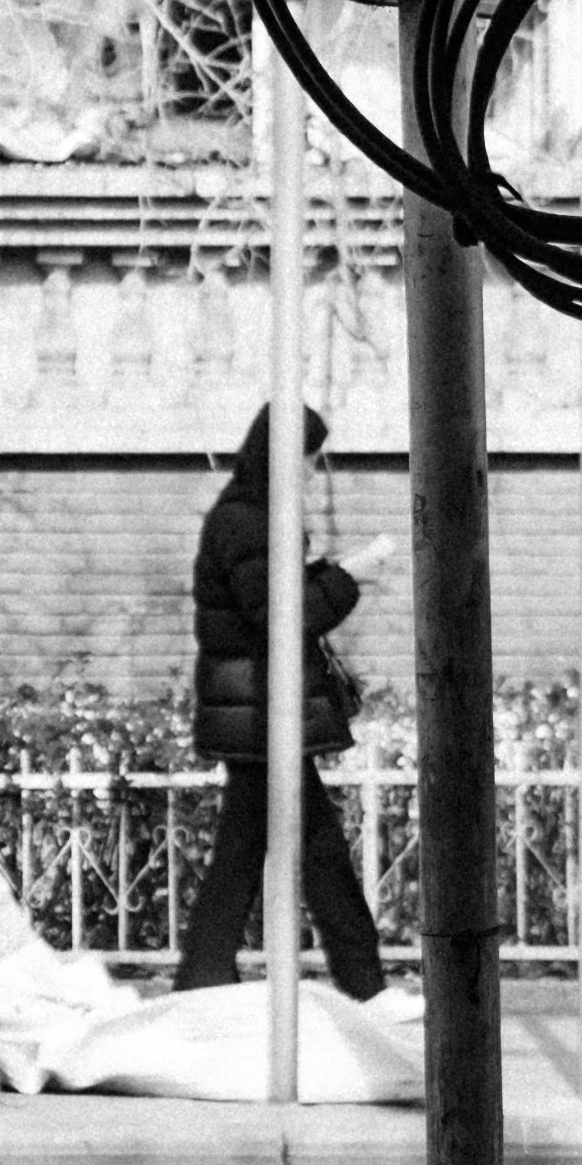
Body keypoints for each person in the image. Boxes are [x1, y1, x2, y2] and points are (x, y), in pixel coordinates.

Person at [171, 407, 389, 999]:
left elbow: (272, 597)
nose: (315, 473)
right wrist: (348, 577)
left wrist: (328, 570)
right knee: (316, 854)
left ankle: (203, 975)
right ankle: (365, 983)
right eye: (310, 459)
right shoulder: (248, 523)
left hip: (259, 712)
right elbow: (284, 616)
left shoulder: (248, 517)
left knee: (255, 853)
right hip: (263, 712)